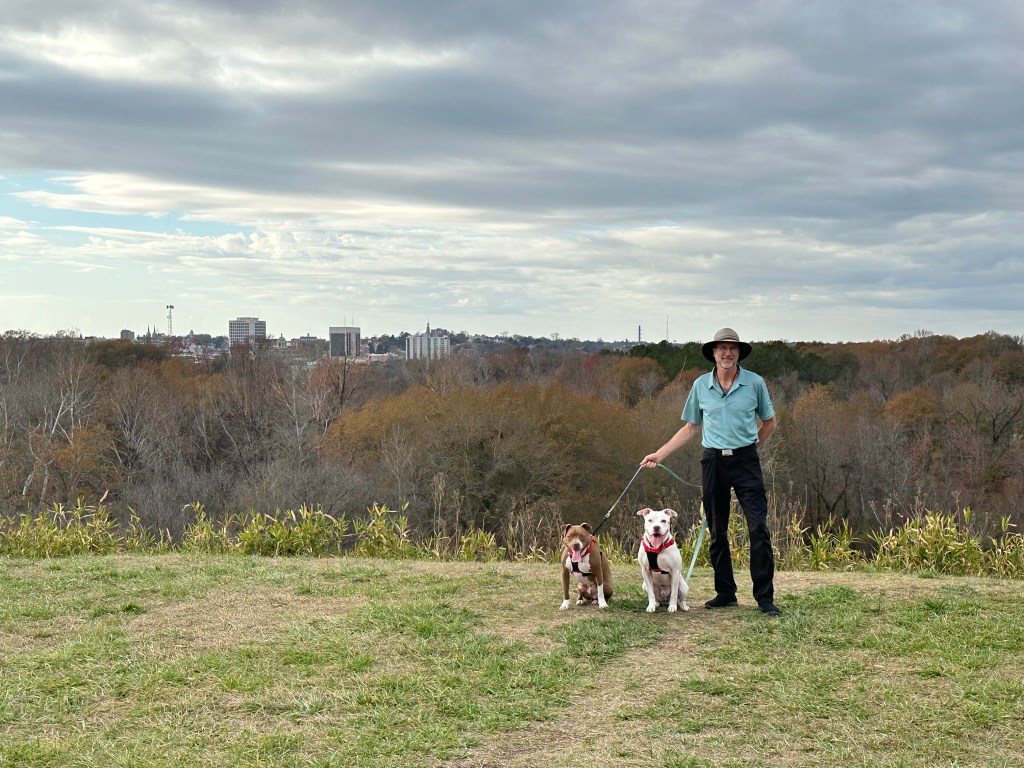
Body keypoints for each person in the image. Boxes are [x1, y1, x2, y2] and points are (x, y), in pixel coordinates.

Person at [641, 327, 781, 616]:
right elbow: (690, 427)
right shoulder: (700, 385)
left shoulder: (755, 383)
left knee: (758, 527)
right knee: (717, 530)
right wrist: (659, 453)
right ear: (714, 353)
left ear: (739, 353)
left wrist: (752, 446)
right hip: (713, 462)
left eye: (732, 348)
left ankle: (764, 597)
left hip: (746, 461)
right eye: (722, 348)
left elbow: (770, 422)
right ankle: (726, 592)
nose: (727, 353)